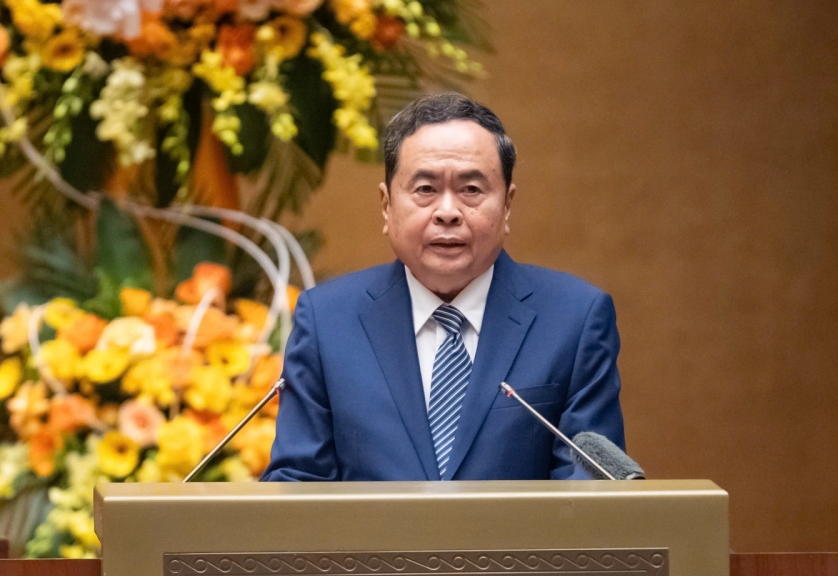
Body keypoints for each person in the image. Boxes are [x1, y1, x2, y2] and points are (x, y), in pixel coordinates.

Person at [262, 92, 624, 481]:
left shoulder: (575, 318)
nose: (448, 212)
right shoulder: (326, 321)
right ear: (386, 206)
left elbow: (591, 495)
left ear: (507, 206)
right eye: (425, 189)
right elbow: (297, 488)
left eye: (471, 190)